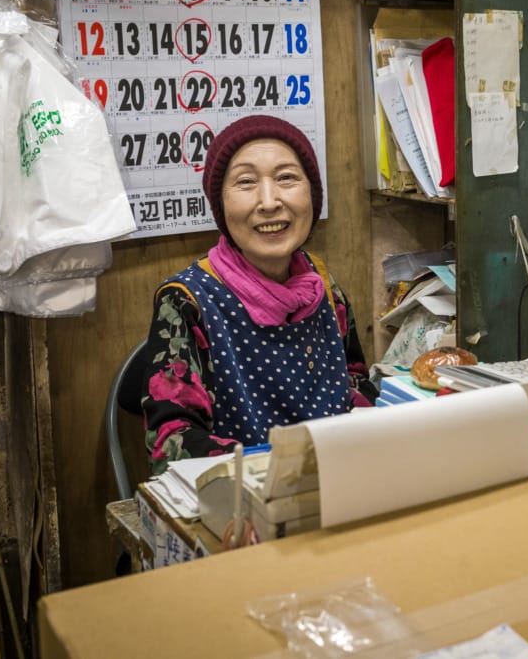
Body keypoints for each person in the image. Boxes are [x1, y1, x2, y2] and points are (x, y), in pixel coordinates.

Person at [139, 115, 375, 473]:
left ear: (312, 195)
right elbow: (172, 440)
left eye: (286, 178)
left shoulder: (323, 284)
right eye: (246, 182)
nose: (269, 202)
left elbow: (355, 379)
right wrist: (271, 473)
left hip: (339, 482)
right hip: (242, 498)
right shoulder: (187, 302)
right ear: (220, 205)